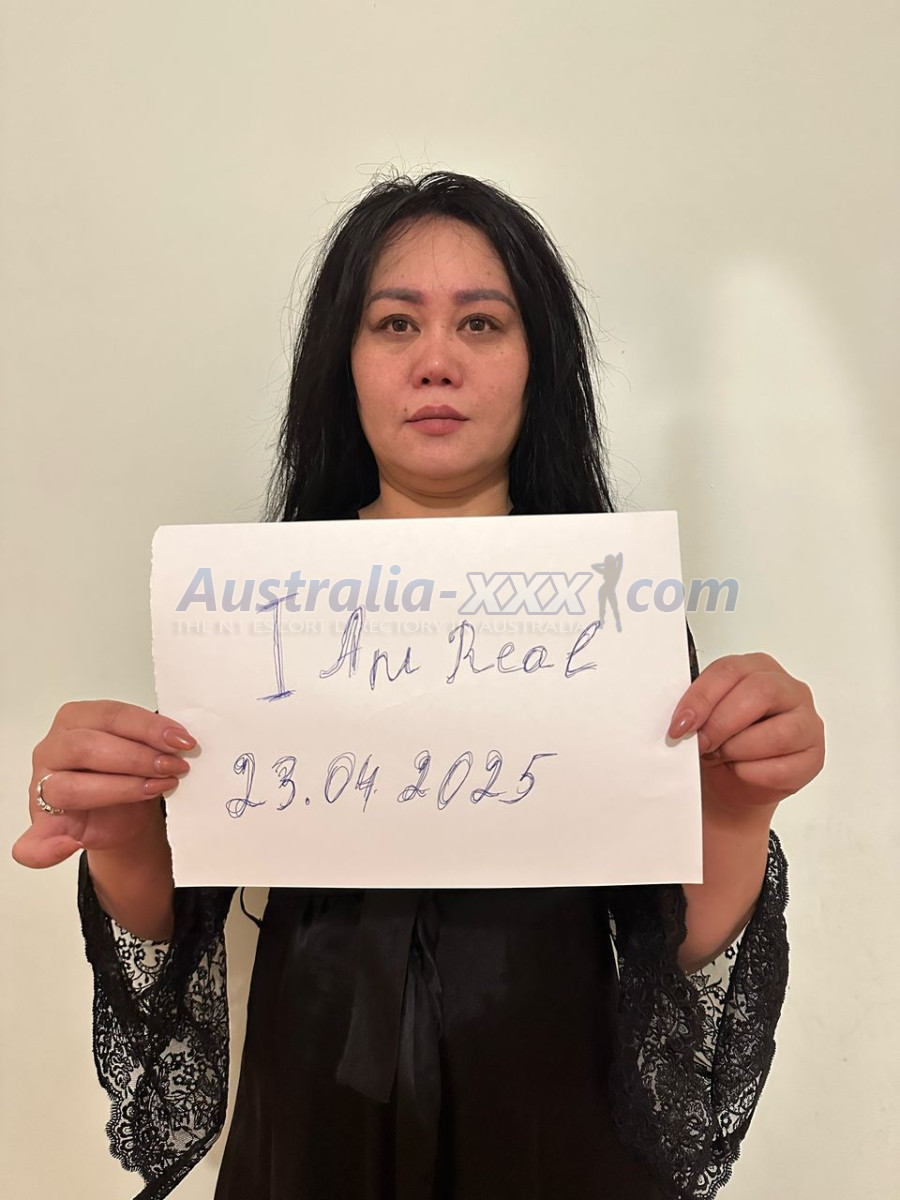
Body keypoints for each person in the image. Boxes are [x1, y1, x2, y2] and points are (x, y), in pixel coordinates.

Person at [12, 171, 825, 1200]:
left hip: (556, 1116)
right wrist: (123, 833)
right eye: (395, 323)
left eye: (481, 323)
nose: (436, 360)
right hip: (314, 1115)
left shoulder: (613, 609)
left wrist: (739, 810)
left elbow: (674, 945)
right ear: (343, 363)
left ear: (539, 363)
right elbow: (179, 924)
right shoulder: (256, 606)